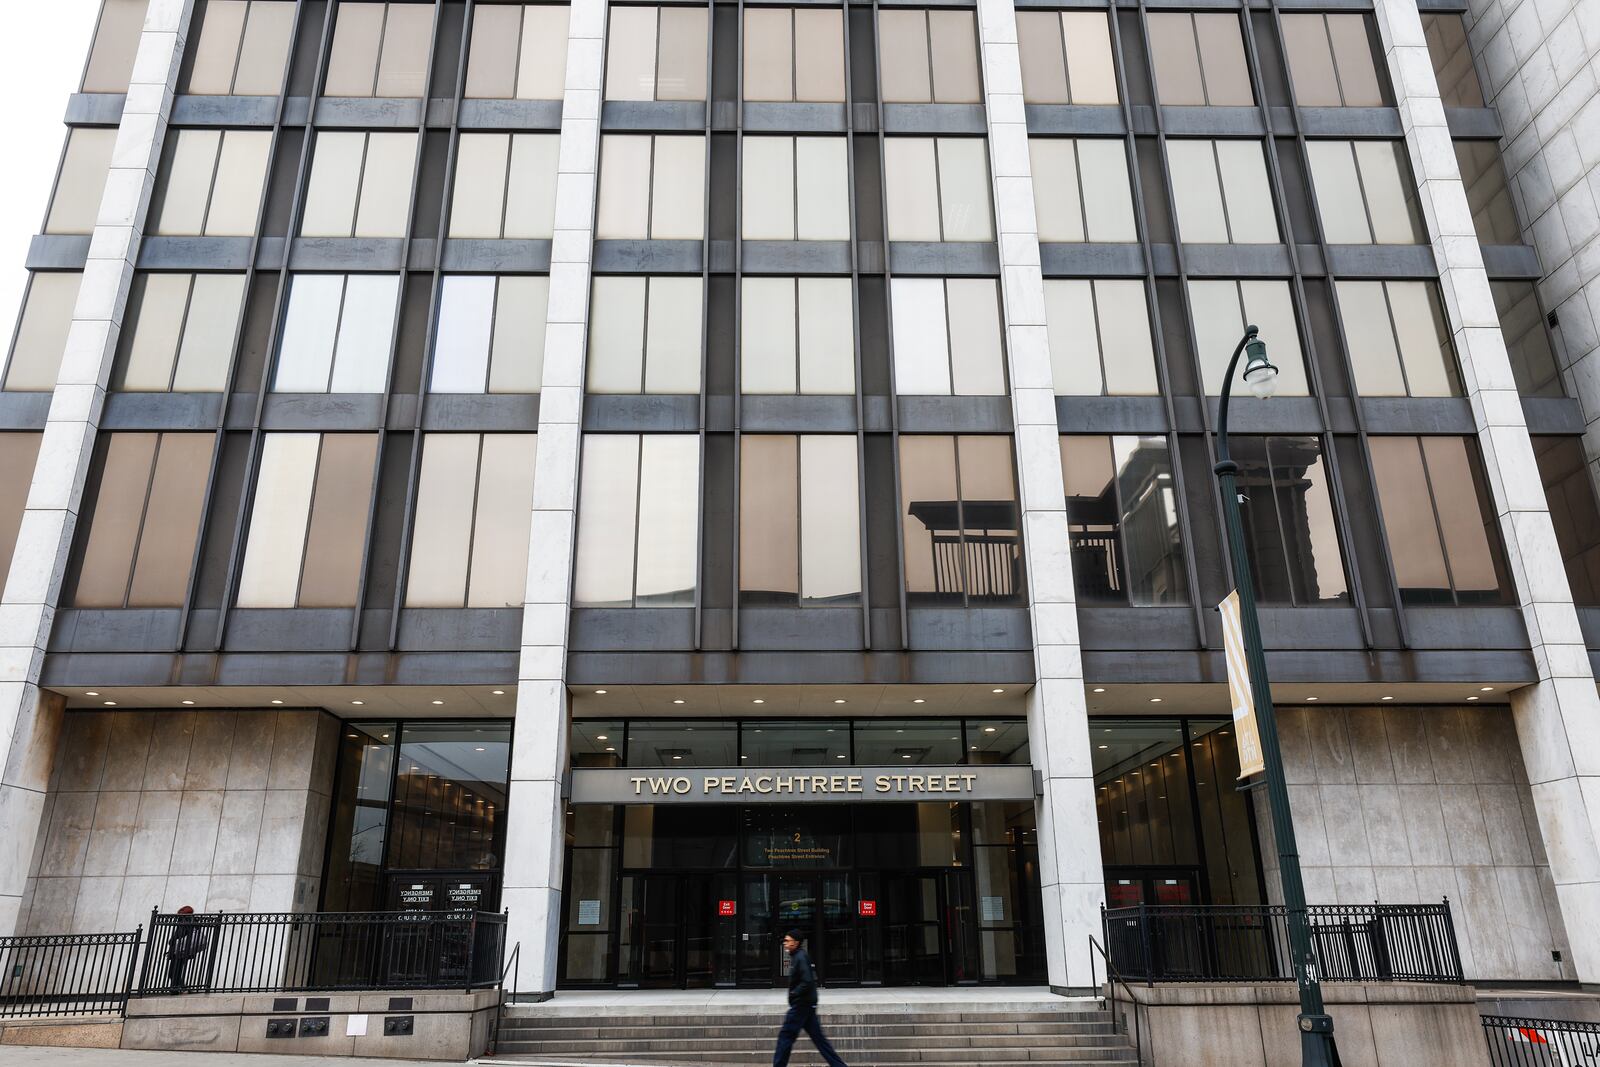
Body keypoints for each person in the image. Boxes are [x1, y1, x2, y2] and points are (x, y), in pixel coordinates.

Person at [772, 929, 848, 1067]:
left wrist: (794, 993)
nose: (785, 943)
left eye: (788, 941)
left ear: (795, 942)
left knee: (785, 1036)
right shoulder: (799, 956)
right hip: (807, 1005)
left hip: (801, 1005)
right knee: (820, 1041)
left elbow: (807, 981)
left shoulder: (800, 957)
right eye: (785, 941)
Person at [165, 906, 209, 993]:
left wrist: (171, 941)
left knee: (173, 973)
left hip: (179, 951)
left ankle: (176, 990)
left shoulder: (184, 921)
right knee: (176, 972)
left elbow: (179, 935)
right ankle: (181, 988)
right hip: (185, 951)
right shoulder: (193, 921)